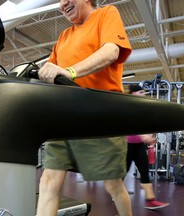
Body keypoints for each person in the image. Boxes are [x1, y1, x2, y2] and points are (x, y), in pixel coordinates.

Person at [36, 0, 132, 215]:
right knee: (48, 181)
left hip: (99, 113)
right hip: (64, 115)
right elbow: (49, 73)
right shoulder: (64, 36)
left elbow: (111, 52)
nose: (63, 4)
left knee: (113, 185)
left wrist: (69, 72)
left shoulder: (106, 13)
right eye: (59, 0)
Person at [125, 84, 170, 209]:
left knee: (144, 171)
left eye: (144, 92)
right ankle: (117, 193)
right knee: (123, 171)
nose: (144, 94)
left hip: (139, 146)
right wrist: (143, 136)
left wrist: (149, 136)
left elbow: (147, 125)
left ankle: (150, 200)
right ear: (133, 93)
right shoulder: (127, 107)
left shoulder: (142, 108)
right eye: (141, 92)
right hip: (127, 145)